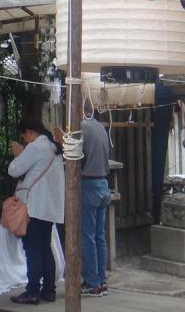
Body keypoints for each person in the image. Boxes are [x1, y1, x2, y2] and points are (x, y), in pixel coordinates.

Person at [8, 118, 64, 304]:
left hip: (33, 206)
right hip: (49, 207)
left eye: (24, 136)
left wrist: (18, 155)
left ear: (29, 132)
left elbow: (14, 170)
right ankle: (49, 290)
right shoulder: (53, 148)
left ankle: (32, 291)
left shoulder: (35, 147)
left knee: (32, 250)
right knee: (45, 247)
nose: (24, 140)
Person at [79, 104, 112, 297]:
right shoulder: (100, 127)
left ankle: (92, 283)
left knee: (88, 237)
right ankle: (102, 280)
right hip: (103, 183)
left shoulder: (81, 127)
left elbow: (75, 154)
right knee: (100, 236)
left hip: (89, 183)